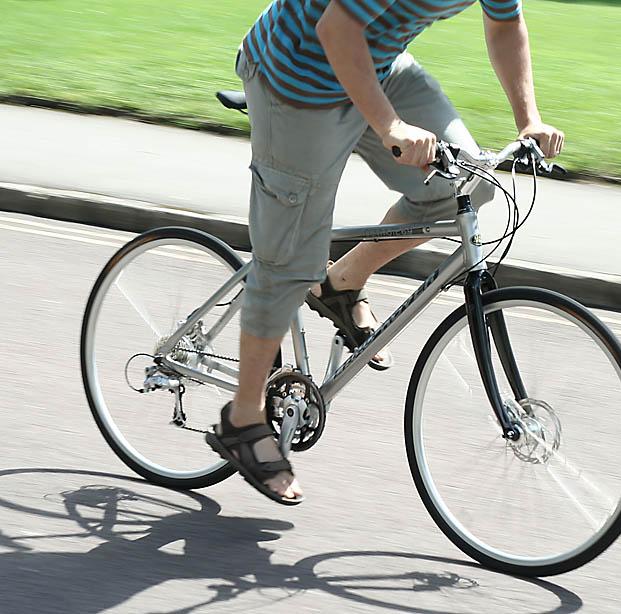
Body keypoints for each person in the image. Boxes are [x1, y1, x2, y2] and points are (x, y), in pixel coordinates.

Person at [205, 0, 565, 504]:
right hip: (298, 79)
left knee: (469, 184)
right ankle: (243, 420)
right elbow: (336, 26)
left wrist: (529, 119)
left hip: (376, 64)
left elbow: (505, 23)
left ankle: (340, 282)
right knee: (287, 264)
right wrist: (390, 127)